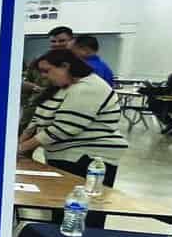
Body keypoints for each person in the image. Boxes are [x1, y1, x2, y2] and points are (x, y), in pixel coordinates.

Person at [19, 51, 127, 185]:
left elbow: (63, 128)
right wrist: (21, 144)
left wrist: (21, 148)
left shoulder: (89, 87)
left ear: (65, 66)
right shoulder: (63, 86)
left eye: (46, 71)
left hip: (86, 159)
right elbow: (37, 120)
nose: (43, 76)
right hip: (62, 156)